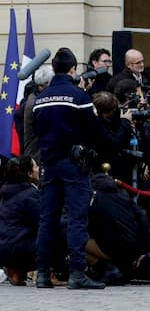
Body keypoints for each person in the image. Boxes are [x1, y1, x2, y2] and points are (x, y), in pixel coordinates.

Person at [32, 47, 107, 289]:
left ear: (54, 69)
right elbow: (96, 131)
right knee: (76, 219)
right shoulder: (79, 97)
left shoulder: (41, 98)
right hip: (74, 164)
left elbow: (36, 130)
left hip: (49, 164)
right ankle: (77, 273)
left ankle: (42, 273)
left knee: (48, 220)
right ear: (73, 69)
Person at [0, 157, 41, 285]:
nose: (38, 169)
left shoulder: (7, 192)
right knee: (58, 232)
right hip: (20, 249)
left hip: (4, 247)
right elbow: (43, 222)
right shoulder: (29, 194)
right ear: (29, 173)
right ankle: (52, 273)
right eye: (35, 167)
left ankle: (16, 271)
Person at [22, 64, 55, 162]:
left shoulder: (34, 97)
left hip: (36, 153)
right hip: (37, 155)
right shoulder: (36, 103)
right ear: (46, 84)